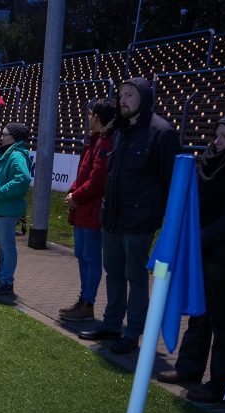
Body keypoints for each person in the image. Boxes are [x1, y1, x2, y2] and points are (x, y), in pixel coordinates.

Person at [78, 78, 180, 354]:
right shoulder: (120, 131)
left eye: (130, 95)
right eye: (121, 95)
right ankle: (111, 325)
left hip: (138, 223)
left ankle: (132, 332)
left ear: (145, 98)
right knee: (114, 273)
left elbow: (170, 182)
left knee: (135, 278)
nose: (123, 100)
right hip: (112, 218)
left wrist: (156, 218)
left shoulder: (161, 133)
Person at [157, 114, 225, 403]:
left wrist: (196, 238)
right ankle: (188, 369)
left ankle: (219, 385)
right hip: (203, 254)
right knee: (199, 315)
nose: (217, 141)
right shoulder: (208, 163)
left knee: (223, 324)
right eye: (218, 134)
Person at [59, 98, 116, 322]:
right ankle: (84, 300)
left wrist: (76, 196)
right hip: (83, 209)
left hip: (92, 211)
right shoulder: (94, 142)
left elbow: (97, 180)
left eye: (91, 113)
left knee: (90, 257)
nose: (88, 117)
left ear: (99, 117)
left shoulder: (105, 143)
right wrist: (74, 192)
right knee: (82, 255)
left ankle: (88, 302)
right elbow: (84, 175)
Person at [0, 122, 32, 295]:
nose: (1, 137)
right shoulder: (8, 154)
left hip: (6, 208)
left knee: (7, 247)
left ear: (14, 137)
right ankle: (1, 278)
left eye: (4, 134)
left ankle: (6, 281)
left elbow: (23, 179)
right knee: (3, 246)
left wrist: (0, 192)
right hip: (1, 207)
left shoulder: (15, 155)